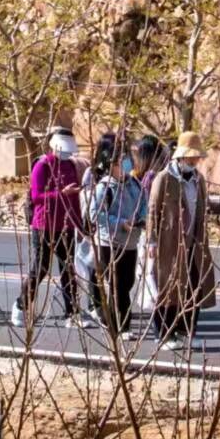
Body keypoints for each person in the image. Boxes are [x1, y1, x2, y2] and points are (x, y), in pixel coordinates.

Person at [147, 131, 216, 350]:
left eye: (197, 157)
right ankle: (164, 333)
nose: (195, 161)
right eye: (191, 157)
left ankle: (187, 330)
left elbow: (202, 208)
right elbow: (152, 211)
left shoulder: (198, 179)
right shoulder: (164, 178)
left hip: (194, 242)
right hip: (169, 242)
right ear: (181, 157)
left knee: (194, 285)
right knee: (167, 287)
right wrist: (152, 241)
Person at [15, 127, 82, 329]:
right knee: (41, 268)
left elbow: (75, 199)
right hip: (44, 224)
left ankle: (72, 311)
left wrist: (81, 223)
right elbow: (37, 197)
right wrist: (61, 192)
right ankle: (21, 305)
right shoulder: (42, 165)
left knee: (69, 268)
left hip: (66, 224)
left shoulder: (71, 166)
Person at [85, 136, 146, 337]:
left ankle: (118, 323)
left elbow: (144, 205)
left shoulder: (135, 184)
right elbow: (95, 214)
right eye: (121, 161)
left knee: (126, 284)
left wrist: (142, 220)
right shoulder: (104, 187)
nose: (126, 164)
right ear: (110, 165)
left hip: (131, 243)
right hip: (110, 243)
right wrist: (119, 223)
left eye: (126, 159)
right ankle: (119, 326)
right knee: (116, 285)